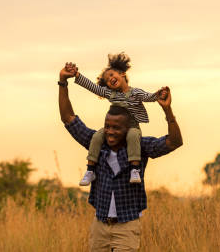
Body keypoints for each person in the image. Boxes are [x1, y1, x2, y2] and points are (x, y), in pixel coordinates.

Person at [58, 62, 183, 251]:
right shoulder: (97, 143)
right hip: (99, 226)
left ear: (128, 129)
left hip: (127, 227)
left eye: (116, 128)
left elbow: (174, 142)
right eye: (107, 126)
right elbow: (68, 118)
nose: (110, 131)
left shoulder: (139, 145)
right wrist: (63, 82)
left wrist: (167, 111)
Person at [68, 53, 166, 186]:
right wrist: (77, 75)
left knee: (133, 136)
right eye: (107, 80)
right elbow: (93, 87)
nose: (110, 79)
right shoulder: (110, 94)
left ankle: (134, 169)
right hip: (114, 128)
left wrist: (159, 94)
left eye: (112, 75)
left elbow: (149, 97)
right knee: (97, 136)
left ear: (122, 74)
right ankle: (90, 170)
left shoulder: (135, 93)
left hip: (132, 126)